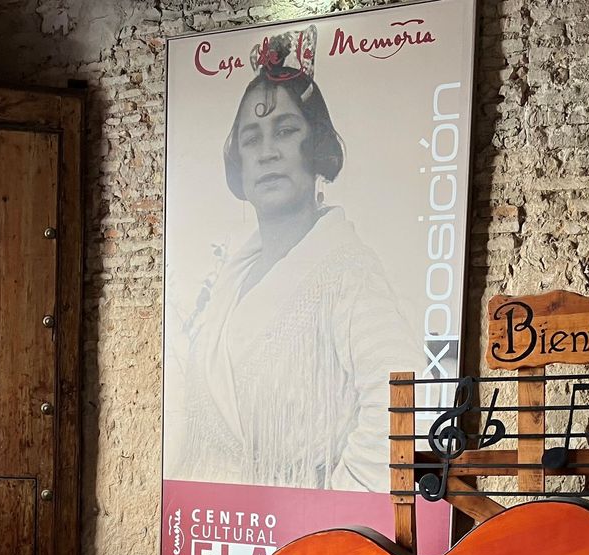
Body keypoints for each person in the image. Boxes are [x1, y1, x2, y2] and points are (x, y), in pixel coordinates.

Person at [165, 26, 423, 492]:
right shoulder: (229, 278)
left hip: (307, 533)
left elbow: (400, 400)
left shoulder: (348, 272)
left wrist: (339, 507)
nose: (267, 152)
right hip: (224, 528)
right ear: (238, 165)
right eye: (251, 138)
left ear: (315, 146)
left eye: (285, 130)